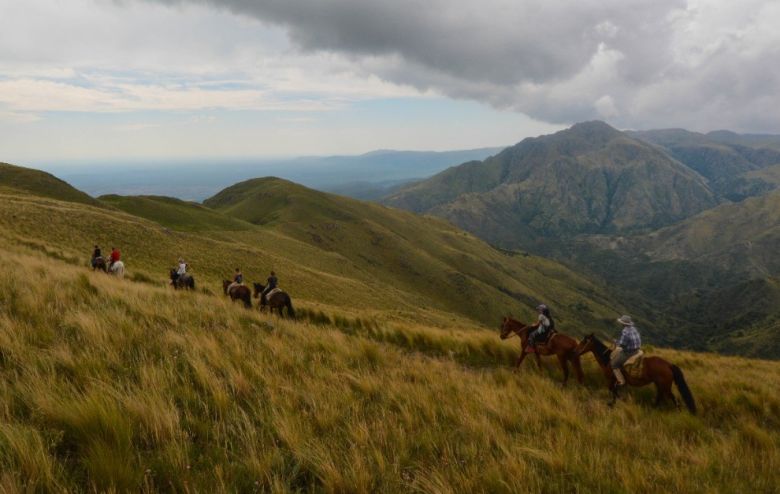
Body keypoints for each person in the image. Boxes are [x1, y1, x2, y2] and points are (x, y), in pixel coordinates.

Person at [611, 315, 642, 387]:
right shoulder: (634, 328)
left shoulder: (625, 331)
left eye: (621, 322)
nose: (621, 323)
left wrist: (615, 342)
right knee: (618, 351)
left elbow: (622, 344)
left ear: (624, 323)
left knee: (613, 364)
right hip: (637, 349)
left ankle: (621, 381)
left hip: (629, 352)